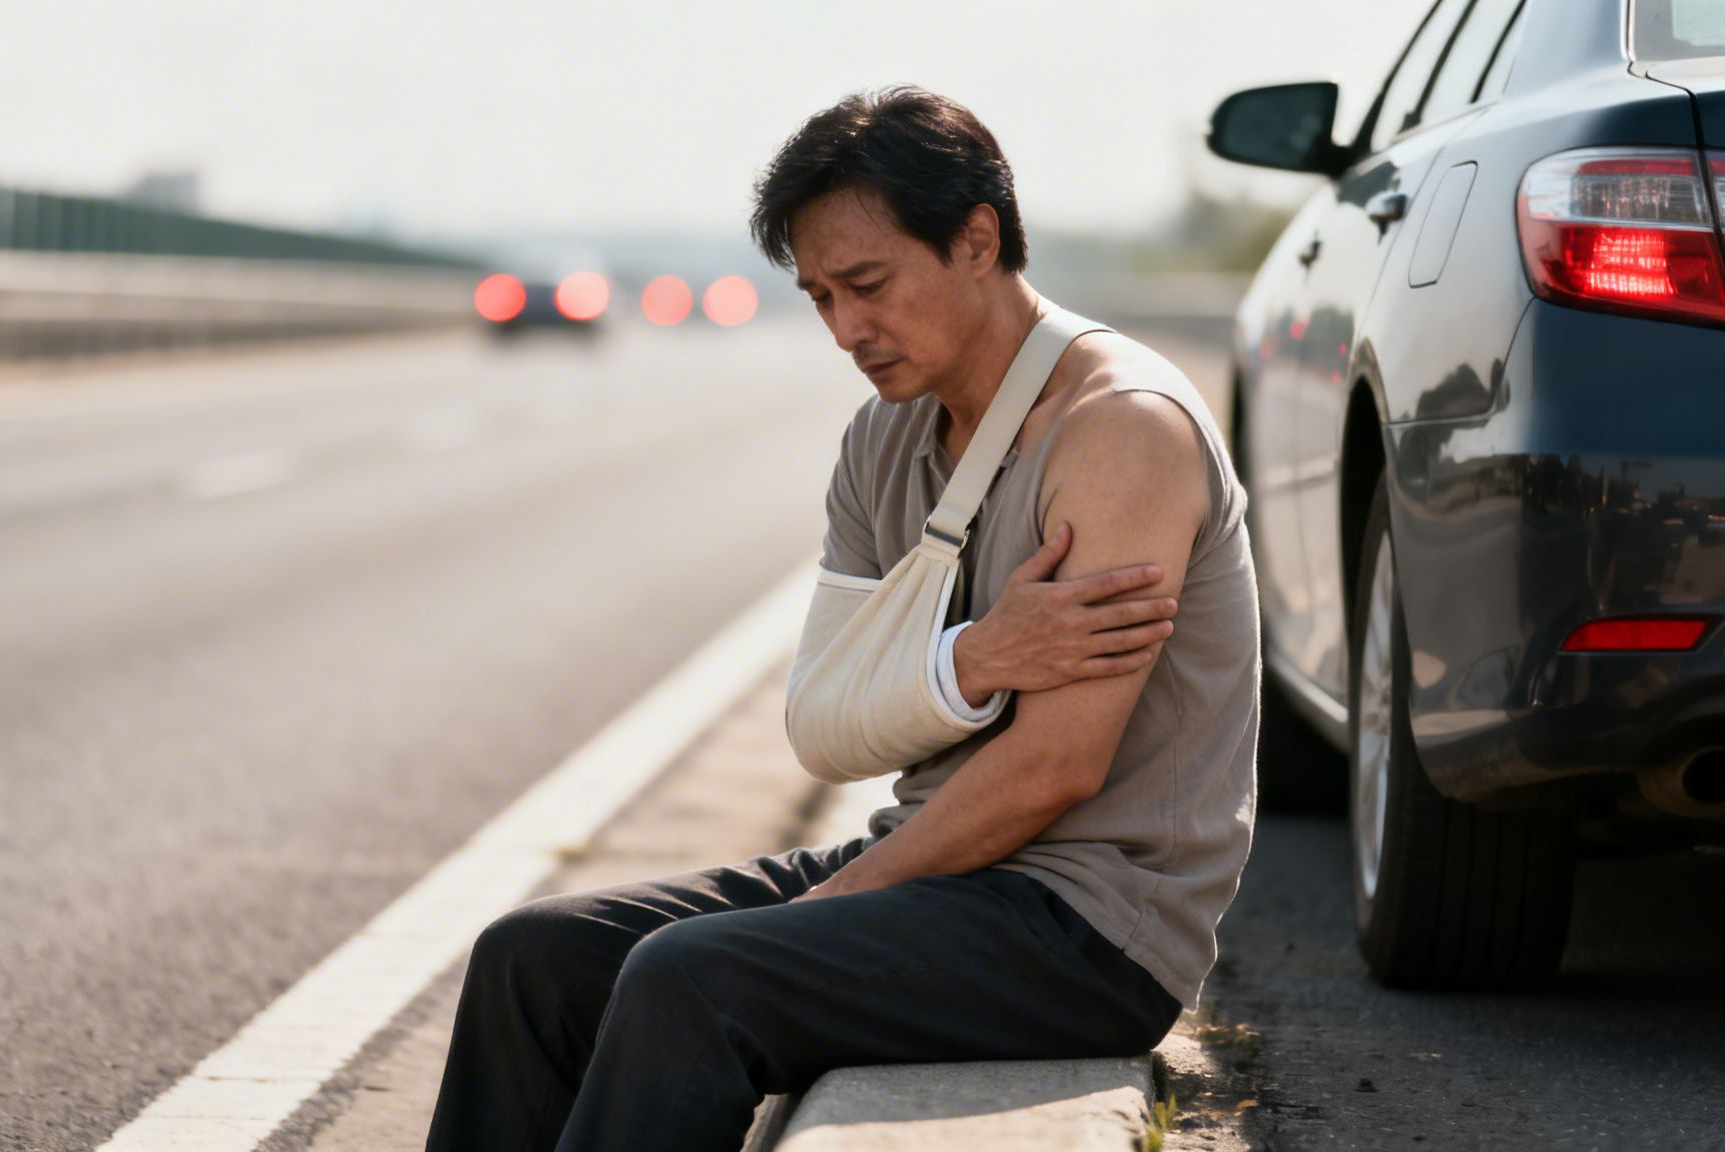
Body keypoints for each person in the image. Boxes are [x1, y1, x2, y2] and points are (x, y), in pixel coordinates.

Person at [424, 86, 1257, 1152]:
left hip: (1086, 928)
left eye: (867, 285)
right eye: (820, 296)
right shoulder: (883, 440)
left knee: (688, 981)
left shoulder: (1120, 430)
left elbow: (1055, 768)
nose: (846, 329)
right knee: (530, 959)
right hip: (938, 871)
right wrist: (972, 658)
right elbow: (824, 722)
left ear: (976, 240)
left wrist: (820, 912)